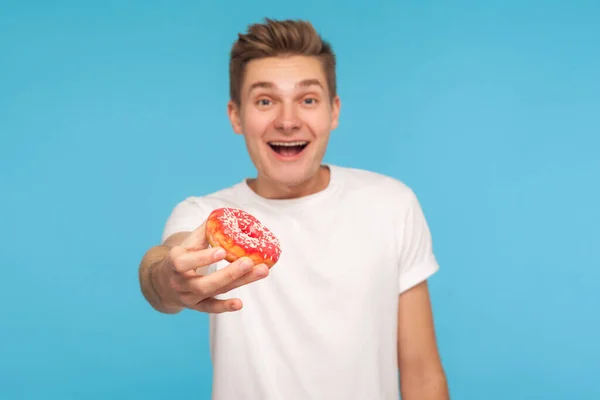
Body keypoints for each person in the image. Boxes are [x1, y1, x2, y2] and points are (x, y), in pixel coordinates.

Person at [138, 17, 449, 400]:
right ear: (236, 115)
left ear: (333, 111)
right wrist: (167, 277)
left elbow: (421, 371)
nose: (287, 121)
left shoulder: (391, 203)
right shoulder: (204, 213)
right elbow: (165, 264)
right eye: (265, 101)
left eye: (308, 100)